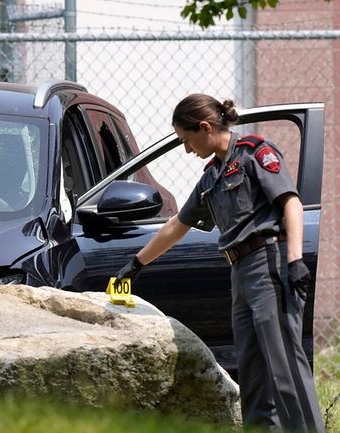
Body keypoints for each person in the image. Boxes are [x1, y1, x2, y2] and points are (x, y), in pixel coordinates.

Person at [116, 94, 325, 433]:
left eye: (187, 140)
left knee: (286, 369)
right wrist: (137, 263)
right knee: (252, 372)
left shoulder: (255, 153)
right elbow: (176, 226)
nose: (187, 149)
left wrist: (296, 259)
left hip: (268, 264)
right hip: (239, 275)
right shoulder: (211, 176)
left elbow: (291, 202)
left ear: (205, 127)